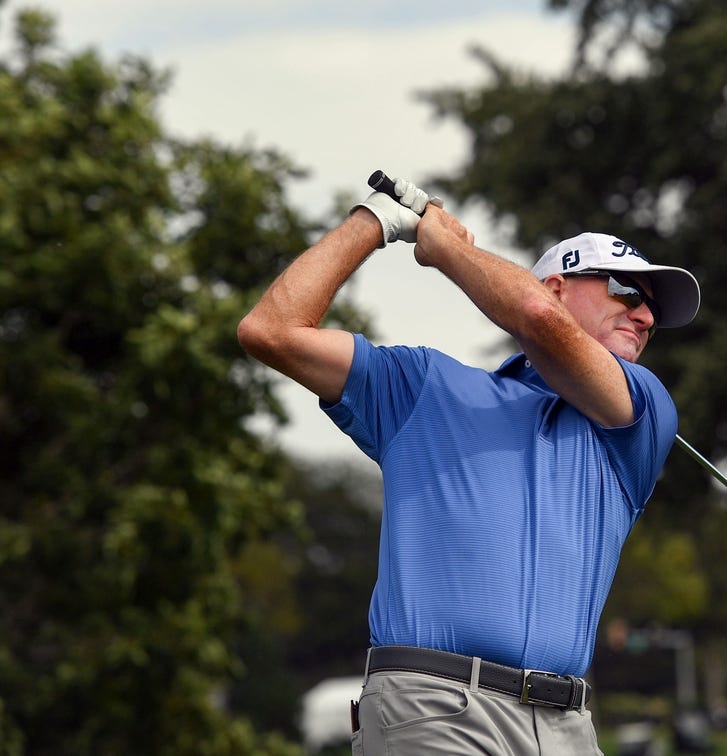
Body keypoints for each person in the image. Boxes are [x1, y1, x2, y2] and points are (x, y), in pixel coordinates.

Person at [237, 176, 701, 755]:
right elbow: (271, 329)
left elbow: (535, 316)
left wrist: (448, 249)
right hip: (433, 707)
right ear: (559, 287)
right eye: (626, 292)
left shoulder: (642, 412)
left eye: (653, 307)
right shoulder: (423, 386)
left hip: (568, 727)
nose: (647, 317)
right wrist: (374, 222)